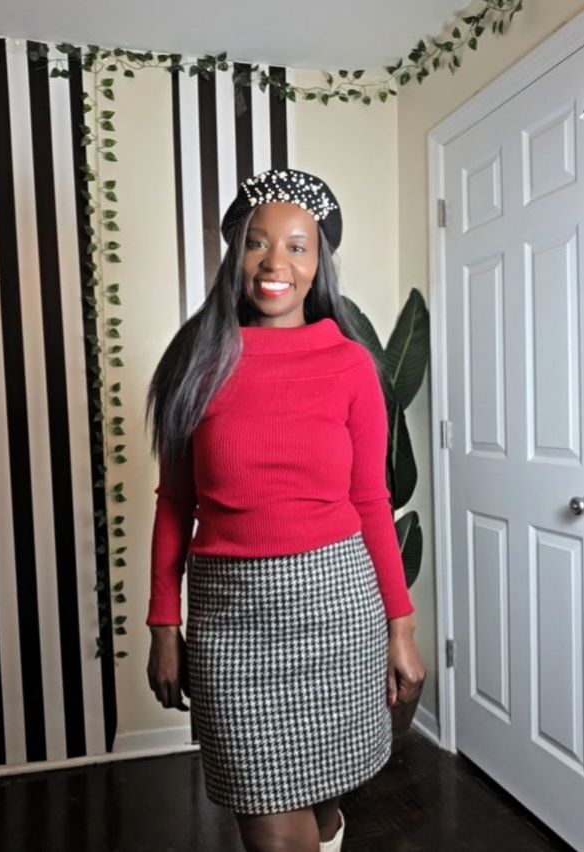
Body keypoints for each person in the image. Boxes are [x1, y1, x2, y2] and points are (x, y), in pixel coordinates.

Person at [145, 168, 426, 852]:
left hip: (335, 608)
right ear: (234, 255)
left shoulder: (350, 365)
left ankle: (330, 834)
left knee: (322, 803)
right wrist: (163, 627)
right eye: (257, 243)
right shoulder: (197, 362)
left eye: (298, 246)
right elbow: (175, 502)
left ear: (318, 262)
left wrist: (400, 627)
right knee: (270, 825)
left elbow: (370, 501)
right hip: (230, 620)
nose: (276, 263)